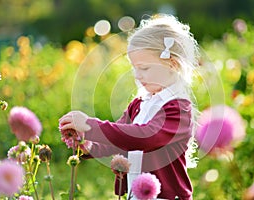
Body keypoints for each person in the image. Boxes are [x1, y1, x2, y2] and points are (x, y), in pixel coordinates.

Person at [59, 14, 200, 200]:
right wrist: (88, 145)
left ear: (172, 65)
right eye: (134, 68)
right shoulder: (139, 104)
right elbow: (118, 139)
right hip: (136, 195)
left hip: (166, 197)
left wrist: (89, 125)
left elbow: (145, 137)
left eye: (145, 68)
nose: (137, 75)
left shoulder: (179, 109)